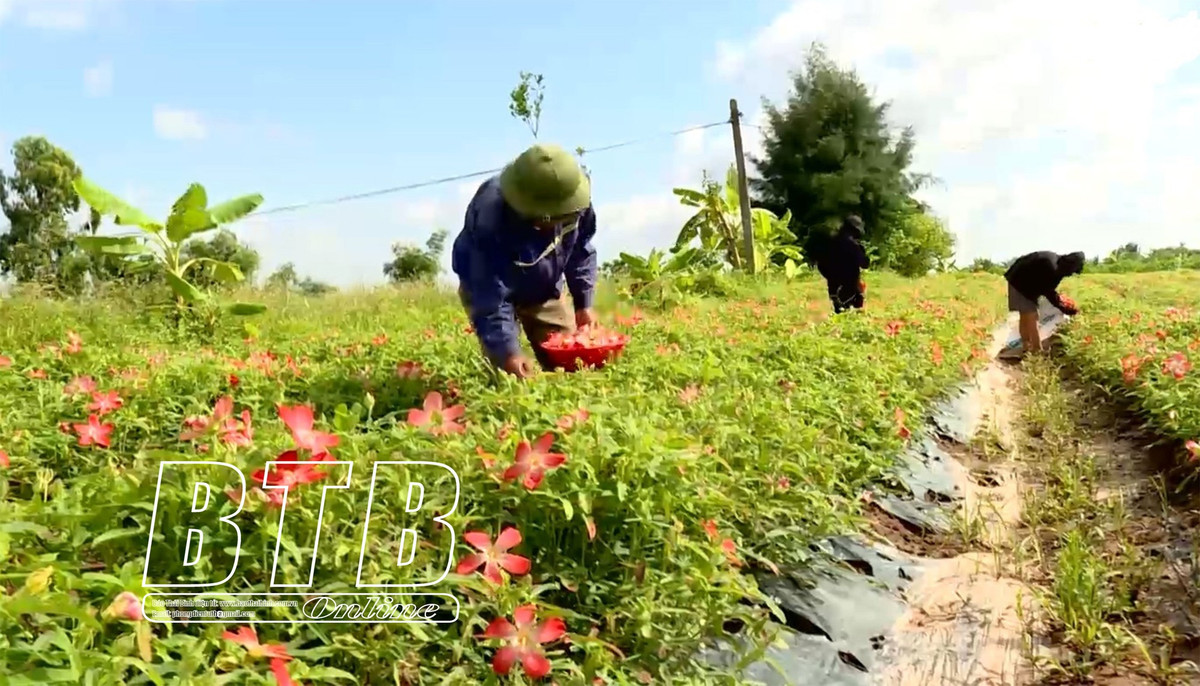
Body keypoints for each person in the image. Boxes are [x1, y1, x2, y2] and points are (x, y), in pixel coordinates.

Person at [451, 143, 598, 379]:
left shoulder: (575, 200)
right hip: (489, 287)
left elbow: (580, 249)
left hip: (543, 287)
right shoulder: (490, 215)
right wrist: (508, 352)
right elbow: (488, 293)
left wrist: (584, 304)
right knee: (511, 375)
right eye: (544, 218)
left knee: (570, 364)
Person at [1003, 250, 1085, 356]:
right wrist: (1064, 307)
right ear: (1070, 266)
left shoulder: (1058, 264)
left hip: (1022, 278)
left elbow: (1048, 290)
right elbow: (1048, 292)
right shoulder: (1053, 267)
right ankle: (1037, 351)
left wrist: (1061, 304)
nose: (1070, 274)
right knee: (1032, 316)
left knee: (1025, 315)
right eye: (1073, 271)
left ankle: (1026, 346)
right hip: (1020, 281)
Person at [814, 215, 870, 313]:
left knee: (840, 312)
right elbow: (865, 264)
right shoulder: (853, 246)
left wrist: (831, 277)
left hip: (834, 289)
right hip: (849, 290)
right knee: (853, 306)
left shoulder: (829, 242)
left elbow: (820, 264)